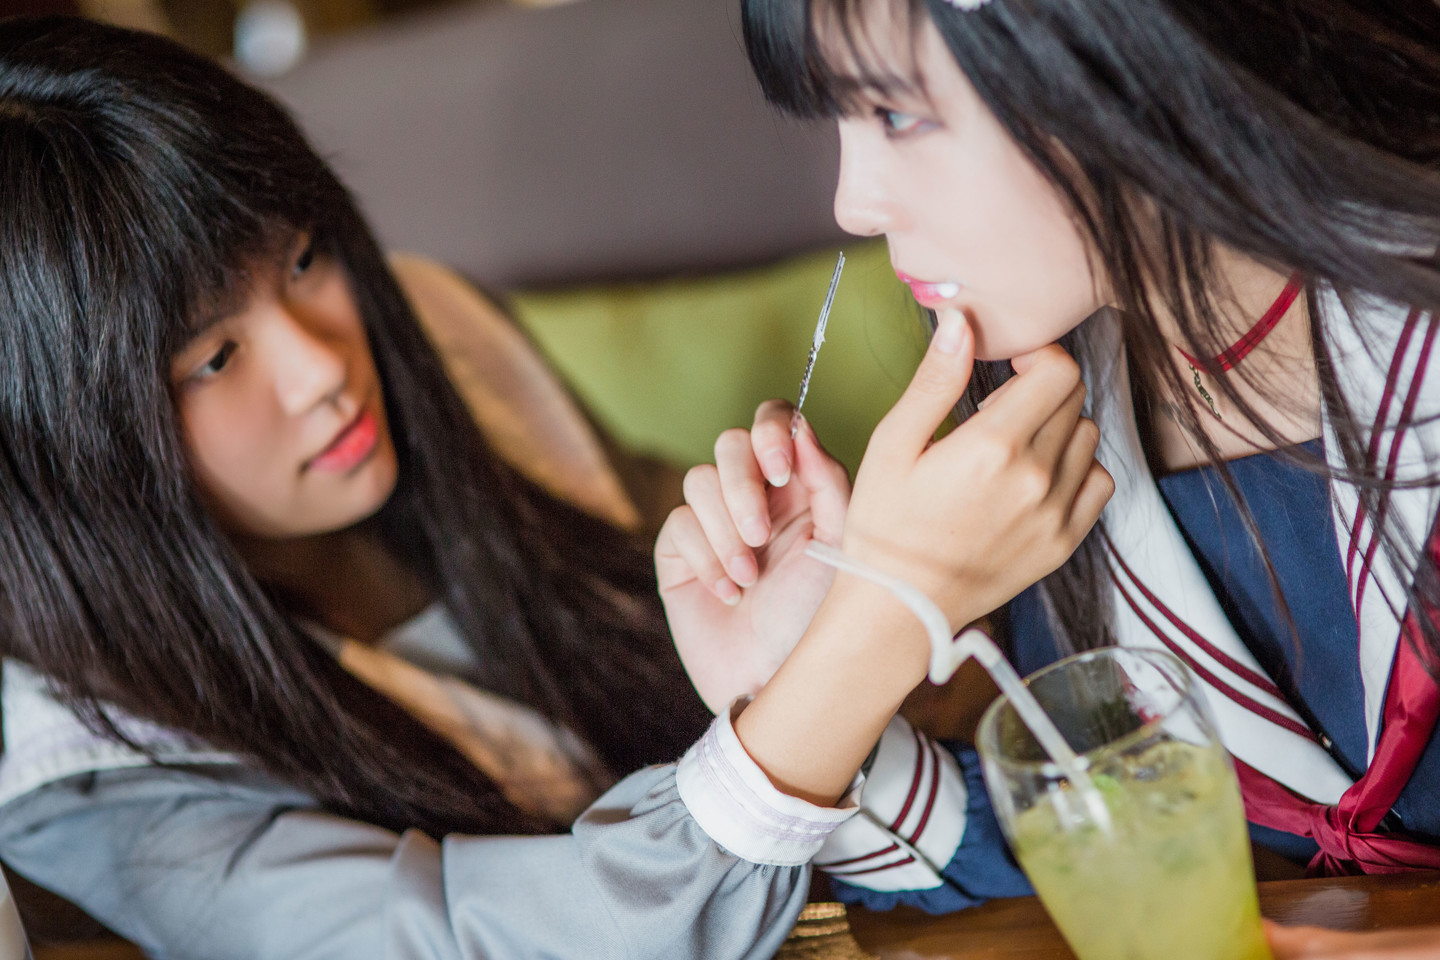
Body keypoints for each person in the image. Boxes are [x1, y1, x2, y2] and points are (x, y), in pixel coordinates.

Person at [0, 15, 1107, 959]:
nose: (321, 368)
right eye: (213, 358)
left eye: (301, 259)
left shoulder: (435, 349)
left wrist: (810, 632)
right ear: (62, 449)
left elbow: (682, 610)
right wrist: (869, 632)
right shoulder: (95, 780)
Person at [663, 0, 1440, 955]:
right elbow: (1120, 847)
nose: (851, 205)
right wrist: (810, 684)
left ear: (1129, 53)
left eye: (897, 113)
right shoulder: (1045, 454)